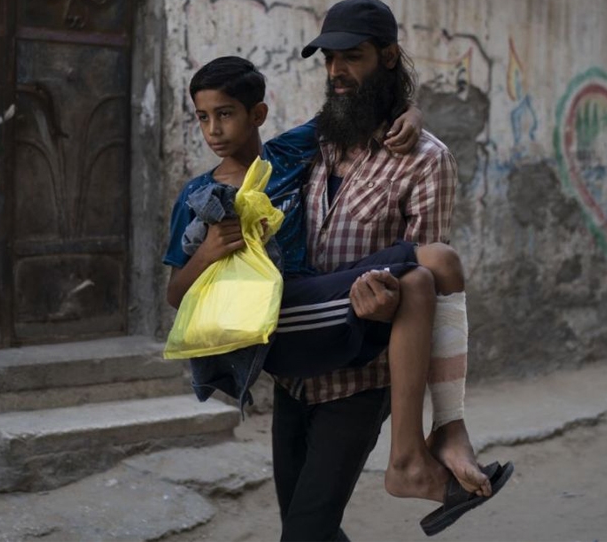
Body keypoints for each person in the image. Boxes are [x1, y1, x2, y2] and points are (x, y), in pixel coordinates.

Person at [163, 54, 508, 539]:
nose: (214, 129)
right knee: (428, 271)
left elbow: (358, 107)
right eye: (203, 117)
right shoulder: (197, 197)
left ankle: (421, 447)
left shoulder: (286, 157)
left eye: (225, 114)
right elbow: (176, 295)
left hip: (315, 304)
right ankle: (420, 451)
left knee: (431, 270)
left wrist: (412, 112)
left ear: (257, 115)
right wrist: (208, 254)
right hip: (274, 322)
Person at [267, 0, 512, 541]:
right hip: (296, 366)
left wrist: (387, 302)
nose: (337, 71)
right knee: (309, 526)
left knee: (303, 532)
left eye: (352, 56)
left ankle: (420, 453)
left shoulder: (426, 160)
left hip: (360, 375)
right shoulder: (315, 142)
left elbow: (427, 290)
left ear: (389, 57)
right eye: (329, 59)